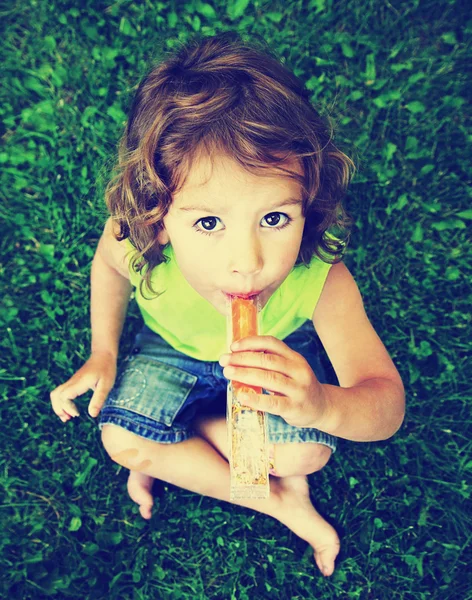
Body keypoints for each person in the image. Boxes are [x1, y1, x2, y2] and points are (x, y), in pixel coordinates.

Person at [50, 31, 405, 578]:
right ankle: (276, 501)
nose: (247, 261)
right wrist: (104, 351)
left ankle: (186, 449)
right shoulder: (135, 240)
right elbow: (107, 269)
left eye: (274, 218)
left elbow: (385, 404)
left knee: (305, 454)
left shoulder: (322, 277)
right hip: (170, 350)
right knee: (121, 439)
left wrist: (320, 407)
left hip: (273, 359)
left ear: (309, 201)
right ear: (157, 216)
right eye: (209, 223)